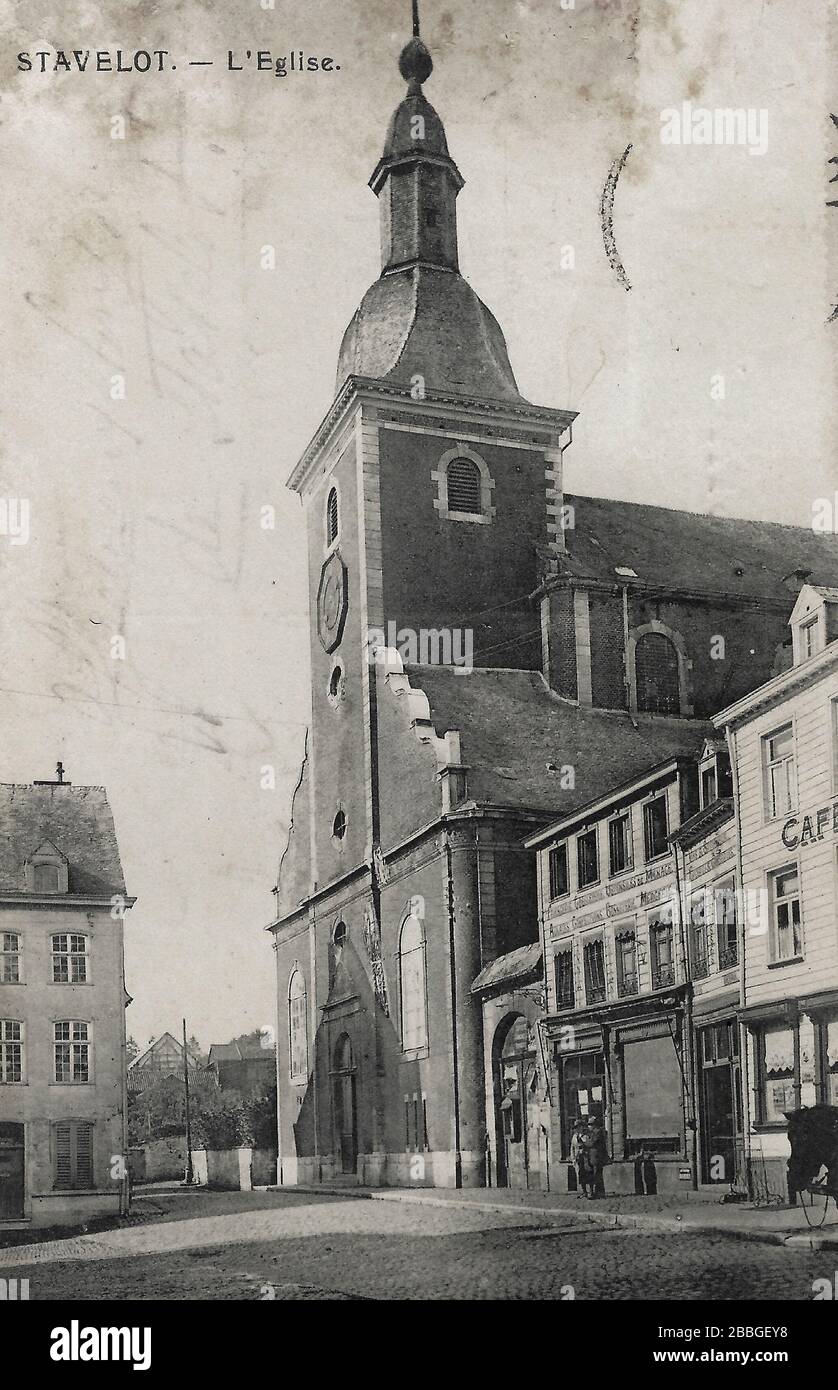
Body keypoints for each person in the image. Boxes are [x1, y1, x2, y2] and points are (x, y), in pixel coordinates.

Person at [578, 1115, 608, 1198]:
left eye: (590, 1125)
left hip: (596, 1157)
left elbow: (591, 1143)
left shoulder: (597, 1132)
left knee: (597, 1175)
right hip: (592, 1157)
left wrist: (584, 1142)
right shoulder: (593, 1132)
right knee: (595, 1175)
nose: (589, 1126)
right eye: (589, 1125)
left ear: (594, 1125)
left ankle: (599, 1193)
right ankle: (597, 1193)